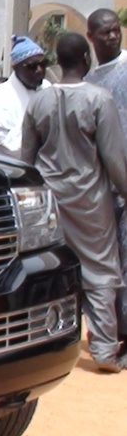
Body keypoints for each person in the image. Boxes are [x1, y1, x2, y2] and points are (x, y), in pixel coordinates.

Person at [21, 33, 127, 372]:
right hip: (91, 200)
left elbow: (27, 158)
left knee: (50, 268)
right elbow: (113, 159)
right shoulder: (100, 99)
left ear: (57, 60)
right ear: (86, 58)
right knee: (100, 270)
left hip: (50, 201)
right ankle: (106, 349)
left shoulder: (38, 102)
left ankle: (42, 341)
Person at [86, 8, 127, 355]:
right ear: (91, 37)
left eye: (116, 30)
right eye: (105, 33)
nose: (112, 36)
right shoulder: (89, 81)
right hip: (102, 187)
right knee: (109, 264)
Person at [0, 36, 51, 157]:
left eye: (43, 64)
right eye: (32, 66)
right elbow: (8, 146)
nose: (39, 70)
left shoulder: (48, 88)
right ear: (15, 67)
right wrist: (33, 116)